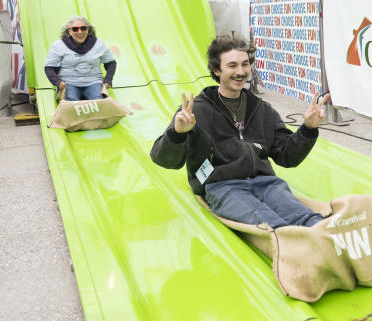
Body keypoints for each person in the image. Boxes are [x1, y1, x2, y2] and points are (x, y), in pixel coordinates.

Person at [151, 36, 330, 229]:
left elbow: (287, 157)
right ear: (217, 70)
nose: (240, 72)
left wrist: (308, 129)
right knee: (272, 225)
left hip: (266, 183)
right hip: (223, 186)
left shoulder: (261, 110)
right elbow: (164, 159)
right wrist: (178, 133)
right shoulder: (196, 111)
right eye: (232, 65)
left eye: (245, 64)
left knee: (306, 218)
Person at [44, 16, 116, 101]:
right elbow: (49, 68)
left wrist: (107, 81)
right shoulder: (58, 46)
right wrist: (58, 82)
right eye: (75, 29)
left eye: (83, 28)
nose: (80, 31)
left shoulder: (98, 43)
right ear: (69, 31)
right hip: (69, 83)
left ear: (88, 30)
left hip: (93, 82)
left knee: (99, 101)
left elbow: (111, 63)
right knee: (71, 101)